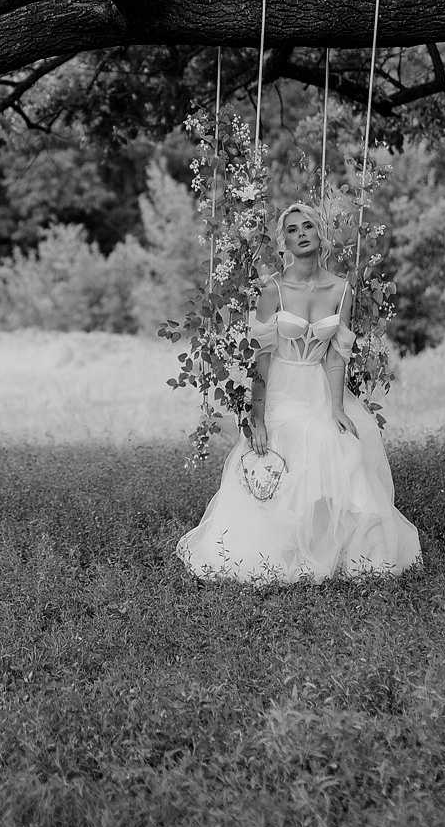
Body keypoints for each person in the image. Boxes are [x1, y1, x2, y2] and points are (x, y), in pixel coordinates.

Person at [176, 202, 422, 583]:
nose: (301, 234)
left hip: (320, 388)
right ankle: (284, 550)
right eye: (292, 230)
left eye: (307, 226)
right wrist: (257, 418)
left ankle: (355, 551)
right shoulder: (273, 289)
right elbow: (261, 358)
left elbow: (337, 356)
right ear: (284, 241)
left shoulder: (341, 289)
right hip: (281, 388)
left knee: (347, 441)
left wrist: (338, 407)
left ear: (320, 233)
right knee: (307, 444)